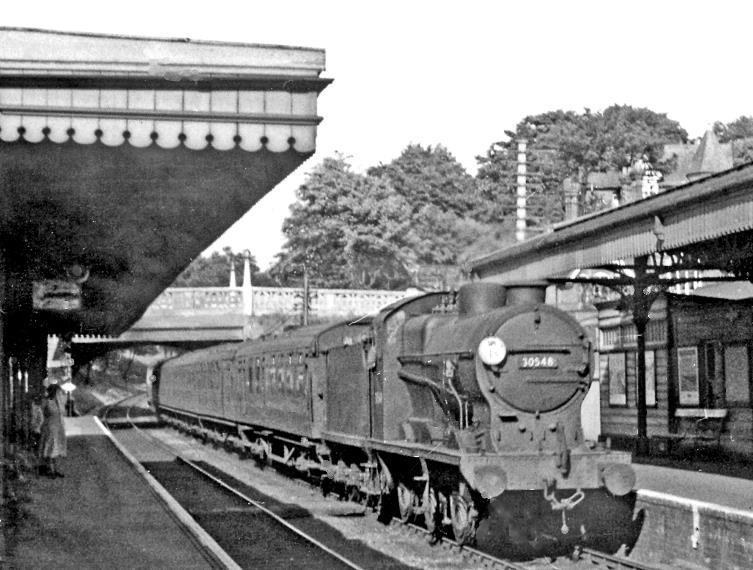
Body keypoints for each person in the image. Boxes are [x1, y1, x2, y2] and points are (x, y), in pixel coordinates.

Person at [39, 383, 67, 477]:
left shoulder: (59, 401)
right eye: (58, 392)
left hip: (58, 427)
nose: (59, 393)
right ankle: (51, 469)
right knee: (50, 447)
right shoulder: (47, 401)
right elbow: (42, 413)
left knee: (56, 448)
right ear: (53, 392)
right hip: (50, 426)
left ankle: (55, 469)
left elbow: (63, 413)